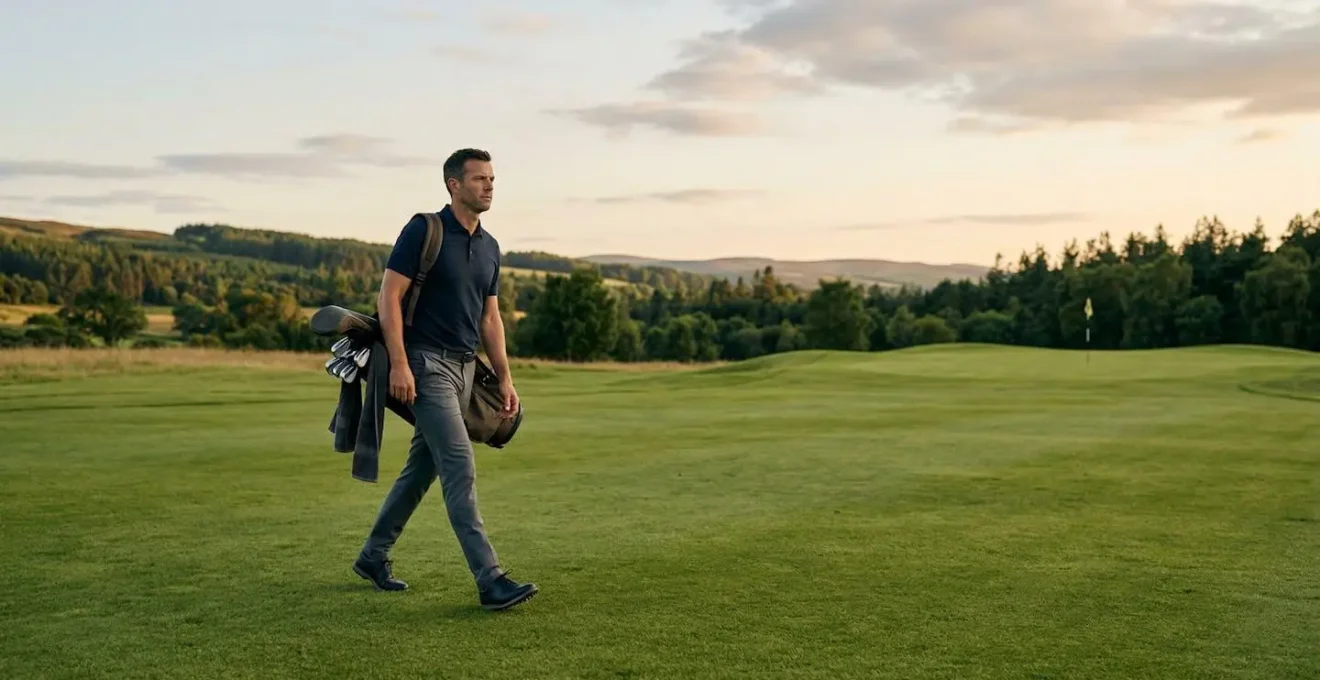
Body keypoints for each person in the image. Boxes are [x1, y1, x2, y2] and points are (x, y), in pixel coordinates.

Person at [351, 147, 537, 611]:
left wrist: (506, 379)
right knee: (459, 465)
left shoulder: (490, 247)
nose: (489, 186)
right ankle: (491, 579)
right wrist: (398, 361)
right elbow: (388, 297)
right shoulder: (424, 230)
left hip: (467, 371)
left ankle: (373, 555)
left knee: (422, 469)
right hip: (425, 366)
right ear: (454, 185)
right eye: (478, 179)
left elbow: (490, 319)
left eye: (492, 178)